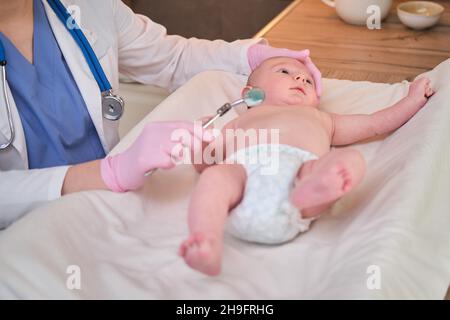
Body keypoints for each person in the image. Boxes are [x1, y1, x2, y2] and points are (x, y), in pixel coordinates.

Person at [0, 0, 322, 228]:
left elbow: (173, 58)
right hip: (22, 239)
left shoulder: (87, 5)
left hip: (110, 208)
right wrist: (109, 172)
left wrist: (252, 58)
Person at [179, 56, 435, 276]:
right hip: (243, 177)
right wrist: (201, 141)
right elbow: (205, 164)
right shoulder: (240, 121)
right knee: (216, 177)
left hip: (300, 175)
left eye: (308, 81)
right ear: (250, 94)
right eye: (285, 72)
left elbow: (374, 123)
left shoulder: (323, 119)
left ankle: (317, 188)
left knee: (349, 161)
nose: (300, 79)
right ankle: (206, 239)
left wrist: (411, 101)